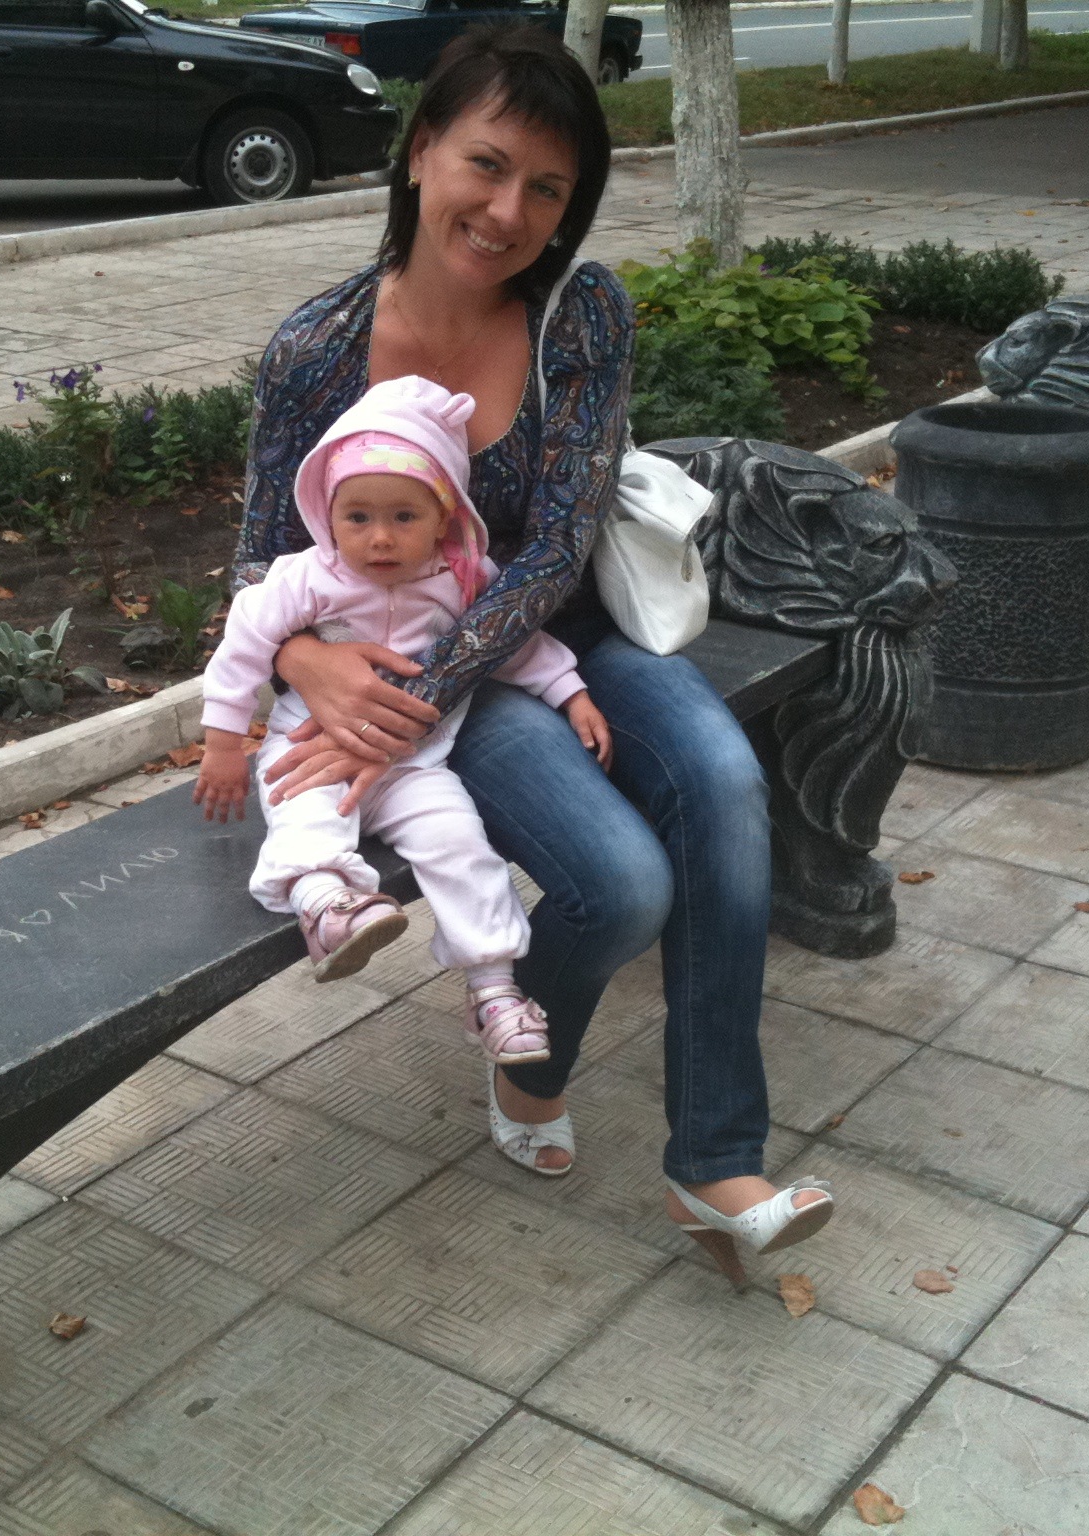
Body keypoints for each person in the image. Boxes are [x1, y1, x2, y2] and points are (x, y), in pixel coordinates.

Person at [232, 24, 833, 1274]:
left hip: (553, 643)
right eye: (486, 165)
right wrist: (302, 664)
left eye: (547, 189)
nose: (508, 213)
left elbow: (559, 543)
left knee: (723, 780)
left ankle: (715, 1162)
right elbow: (253, 562)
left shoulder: (579, 313)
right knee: (620, 884)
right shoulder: (316, 349)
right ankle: (527, 1062)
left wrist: (416, 697)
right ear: (418, 153)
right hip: (419, 674)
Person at [194, 373, 613, 1067]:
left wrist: (571, 692)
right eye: (357, 517)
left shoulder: (461, 580)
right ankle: (326, 905)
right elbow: (242, 646)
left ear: (445, 517)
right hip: (313, 746)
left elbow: (516, 645)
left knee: (462, 846)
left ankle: (494, 990)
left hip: (417, 765)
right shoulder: (307, 577)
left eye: (404, 517)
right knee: (302, 807)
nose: (380, 538)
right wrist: (222, 742)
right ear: (328, 515)